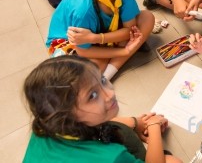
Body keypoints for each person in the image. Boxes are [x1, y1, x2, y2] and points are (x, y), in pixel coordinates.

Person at [23, 55, 182, 163]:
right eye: (92, 95)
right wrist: (153, 126)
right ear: (66, 116)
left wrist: (136, 122)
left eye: (103, 80)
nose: (110, 94)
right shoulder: (112, 157)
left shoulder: (45, 124)